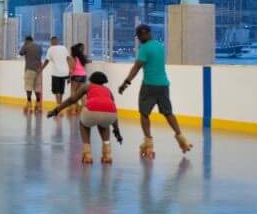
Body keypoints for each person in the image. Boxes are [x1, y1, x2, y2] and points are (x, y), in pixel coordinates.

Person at [119, 24, 191, 159]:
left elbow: (136, 67)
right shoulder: (159, 46)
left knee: (144, 113)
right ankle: (181, 138)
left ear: (143, 34)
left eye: (139, 36)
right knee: (168, 113)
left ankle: (148, 142)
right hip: (164, 85)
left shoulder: (144, 48)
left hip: (149, 85)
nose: (139, 39)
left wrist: (125, 83)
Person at [49, 71, 123, 165]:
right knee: (104, 123)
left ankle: (87, 154)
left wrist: (56, 110)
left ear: (91, 80)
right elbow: (112, 109)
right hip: (111, 114)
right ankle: (107, 154)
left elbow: (72, 99)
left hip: (91, 112)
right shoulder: (108, 90)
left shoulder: (87, 86)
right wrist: (117, 131)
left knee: (83, 123)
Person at [41, 36, 71, 114]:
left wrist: (41, 69)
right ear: (58, 41)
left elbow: (47, 61)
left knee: (57, 91)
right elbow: (68, 59)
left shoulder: (50, 49)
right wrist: (70, 70)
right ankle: (60, 106)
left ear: (52, 42)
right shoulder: (64, 48)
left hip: (56, 73)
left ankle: (58, 108)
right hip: (65, 73)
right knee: (61, 90)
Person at [18, 36, 43, 112]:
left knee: (28, 87)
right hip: (38, 70)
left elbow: (20, 53)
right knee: (37, 88)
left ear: (27, 40)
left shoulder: (27, 46)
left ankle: (29, 103)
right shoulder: (39, 47)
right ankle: (38, 104)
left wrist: (24, 45)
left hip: (29, 69)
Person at [69, 43, 90, 110]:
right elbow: (88, 61)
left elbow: (72, 68)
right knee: (82, 93)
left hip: (75, 76)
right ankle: (84, 108)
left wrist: (69, 77)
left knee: (73, 92)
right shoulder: (83, 57)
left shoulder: (73, 57)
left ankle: (74, 108)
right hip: (83, 76)